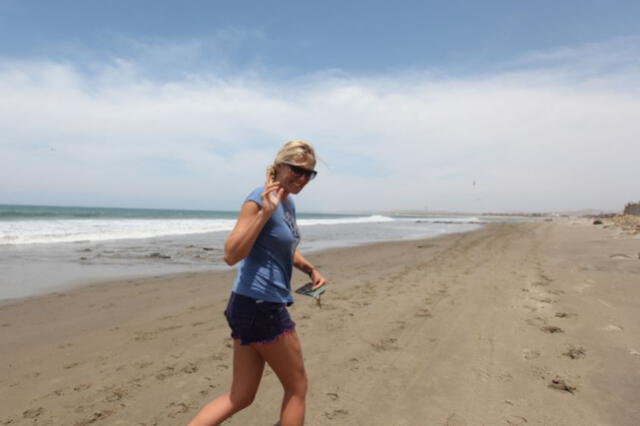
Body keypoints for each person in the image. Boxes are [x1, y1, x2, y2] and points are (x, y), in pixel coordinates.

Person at [189, 140, 327, 426]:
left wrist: (310, 269)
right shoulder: (260, 198)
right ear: (278, 166)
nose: (302, 178)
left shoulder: (287, 201)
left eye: (309, 173)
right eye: (297, 170)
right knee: (297, 388)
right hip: (261, 305)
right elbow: (231, 254)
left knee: (240, 396)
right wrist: (265, 211)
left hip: (248, 305)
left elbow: (283, 246)